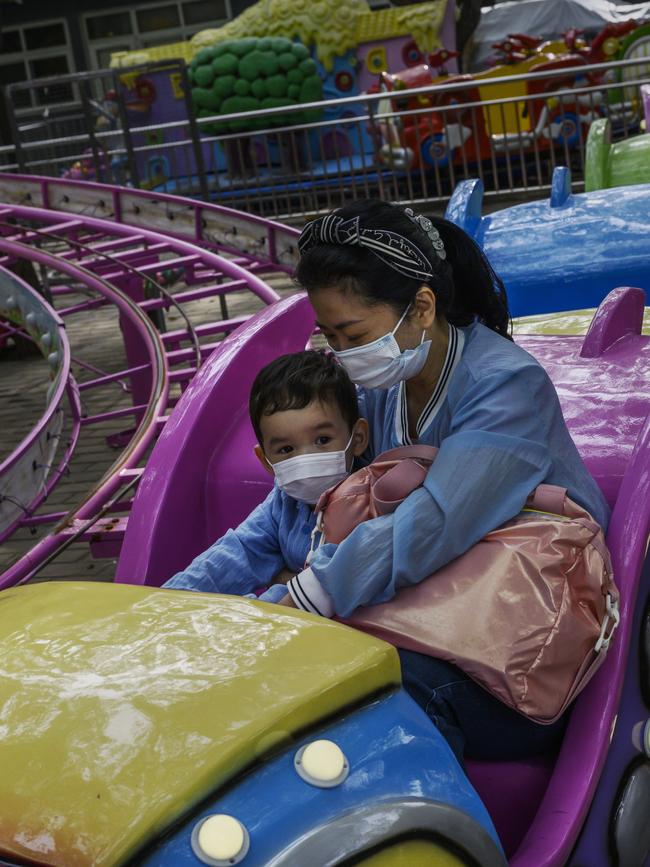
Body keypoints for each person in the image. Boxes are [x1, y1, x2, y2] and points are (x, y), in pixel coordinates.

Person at [278, 199, 609, 762]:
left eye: (354, 334)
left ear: (423, 306)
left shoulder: (506, 386)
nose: (343, 354)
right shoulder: (389, 385)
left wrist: (309, 594)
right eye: (330, 336)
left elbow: (435, 520)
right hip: (437, 615)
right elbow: (303, 502)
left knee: (372, 689)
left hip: (523, 648)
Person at [163, 350, 368, 599]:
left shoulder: (369, 503)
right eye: (286, 449)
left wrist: (274, 589)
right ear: (266, 461)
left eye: (322, 440)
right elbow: (240, 550)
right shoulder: (284, 503)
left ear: (357, 438)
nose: (304, 459)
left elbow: (326, 586)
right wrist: (170, 600)